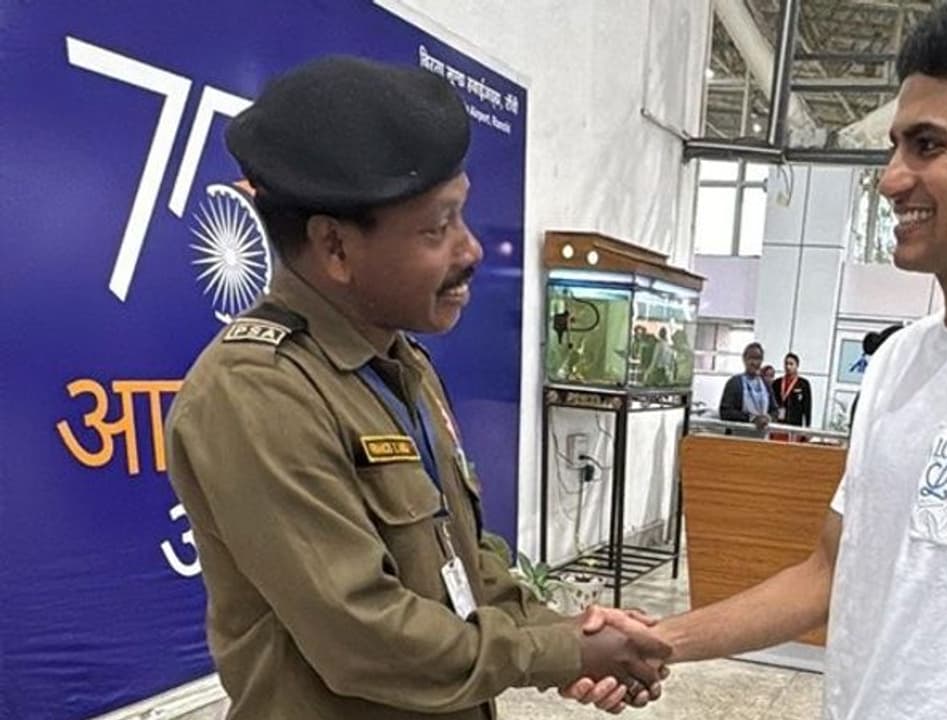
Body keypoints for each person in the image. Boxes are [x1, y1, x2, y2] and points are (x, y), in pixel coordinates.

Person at [569, 2, 947, 717]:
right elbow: (831, 569)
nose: (892, 179)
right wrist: (659, 639)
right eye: (896, 146)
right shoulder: (901, 361)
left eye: (927, 146)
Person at [165, 56, 667, 720]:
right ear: (335, 248)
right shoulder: (256, 394)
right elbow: (363, 637)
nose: (471, 250)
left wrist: (565, 634)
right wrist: (564, 654)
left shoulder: (401, 368)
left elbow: (461, 560)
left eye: (463, 216)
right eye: (437, 227)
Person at [718, 342, 776, 433]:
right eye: (751, 358)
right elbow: (725, 412)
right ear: (744, 359)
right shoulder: (734, 383)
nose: (755, 363)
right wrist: (751, 418)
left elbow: (775, 410)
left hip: (761, 439)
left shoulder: (766, 385)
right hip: (737, 437)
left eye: (758, 358)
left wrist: (768, 418)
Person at [772, 353, 812, 428]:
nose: (788, 367)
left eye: (791, 364)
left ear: (797, 366)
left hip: (795, 424)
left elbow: (807, 407)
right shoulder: (777, 383)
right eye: (786, 364)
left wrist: (807, 426)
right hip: (778, 423)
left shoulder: (803, 384)